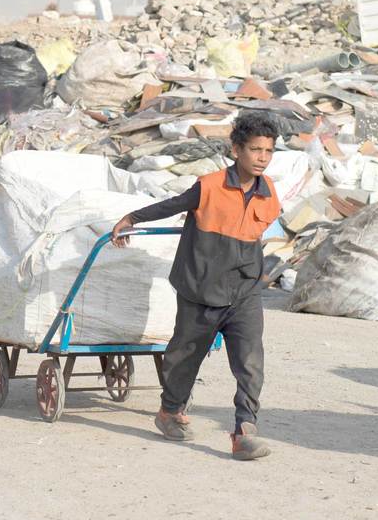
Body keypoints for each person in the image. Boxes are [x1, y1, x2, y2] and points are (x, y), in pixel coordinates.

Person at [111, 113, 281, 460]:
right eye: (255, 149)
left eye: (268, 150)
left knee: (250, 361)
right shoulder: (209, 186)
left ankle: (244, 431)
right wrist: (132, 219)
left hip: (244, 291)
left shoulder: (269, 193)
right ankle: (170, 411)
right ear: (236, 150)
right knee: (184, 357)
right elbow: (171, 206)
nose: (262, 157)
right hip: (200, 289)